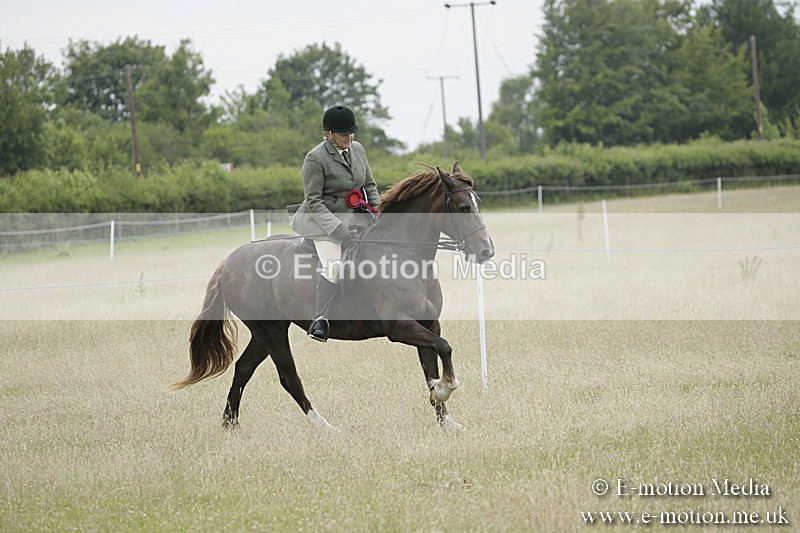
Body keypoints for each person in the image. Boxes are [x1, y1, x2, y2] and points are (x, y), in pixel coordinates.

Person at [289, 105, 380, 342]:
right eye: (343, 134)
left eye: (352, 133)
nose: (349, 138)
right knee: (334, 266)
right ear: (329, 133)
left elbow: (369, 185)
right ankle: (320, 319)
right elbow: (314, 201)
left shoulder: (358, 149)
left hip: (354, 216)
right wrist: (337, 229)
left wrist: (378, 210)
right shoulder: (315, 158)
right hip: (320, 221)